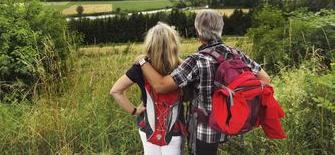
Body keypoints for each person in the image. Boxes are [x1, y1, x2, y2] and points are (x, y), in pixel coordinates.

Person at [137, 9, 271, 155]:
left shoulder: (196, 60)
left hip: (204, 128)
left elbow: (161, 86)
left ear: (197, 32)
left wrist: (142, 61)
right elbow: (264, 79)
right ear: (220, 29)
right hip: (229, 120)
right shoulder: (236, 53)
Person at [110, 22, 184, 155]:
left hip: (147, 127)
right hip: (174, 129)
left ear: (150, 45)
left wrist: (135, 111)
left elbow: (116, 91)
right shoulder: (182, 67)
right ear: (173, 44)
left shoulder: (140, 66)